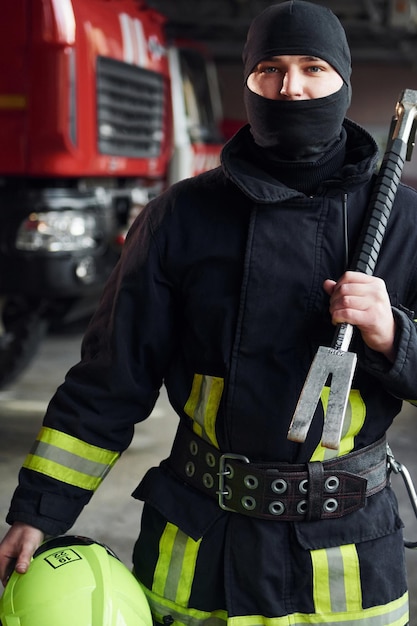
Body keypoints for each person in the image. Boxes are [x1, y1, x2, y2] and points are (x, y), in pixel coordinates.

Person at [1, 1, 416, 624]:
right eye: (269, 71)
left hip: (346, 567)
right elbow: (112, 379)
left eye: (313, 68)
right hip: (197, 556)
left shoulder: (403, 223)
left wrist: (393, 336)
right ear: (247, 82)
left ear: (343, 83)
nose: (291, 87)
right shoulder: (181, 216)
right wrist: (38, 511)